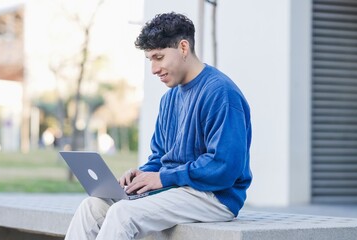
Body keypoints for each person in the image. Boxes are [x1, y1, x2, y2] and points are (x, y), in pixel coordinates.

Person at [64, 12, 252, 240]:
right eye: (150, 60)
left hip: (214, 196)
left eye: (159, 57)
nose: (153, 69)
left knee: (123, 214)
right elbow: (161, 157)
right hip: (176, 189)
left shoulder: (220, 92)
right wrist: (143, 175)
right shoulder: (169, 99)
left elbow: (224, 167)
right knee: (92, 206)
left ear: (183, 48)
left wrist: (162, 178)